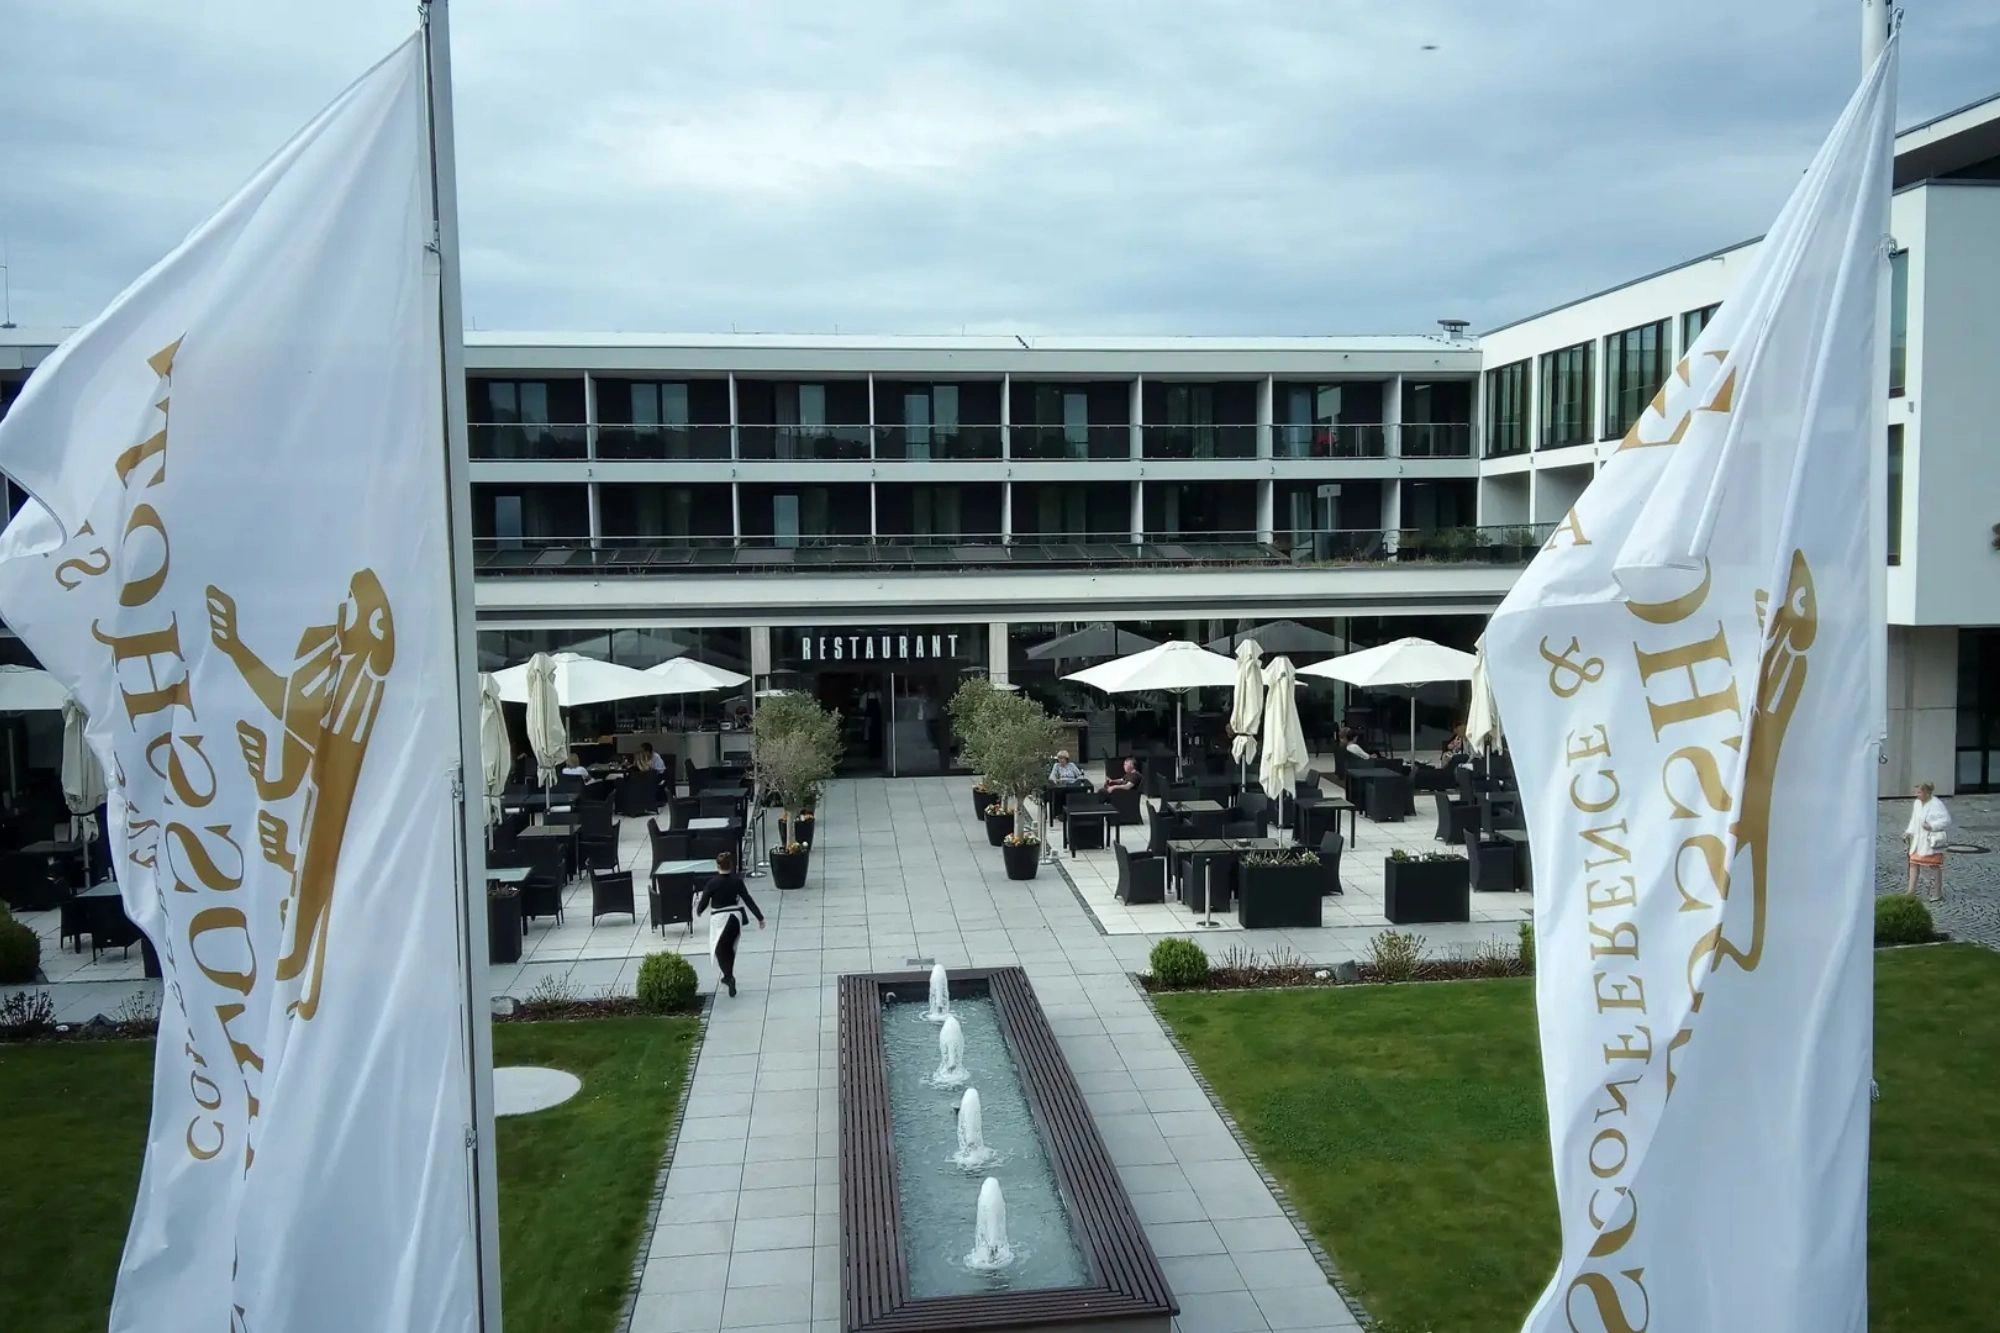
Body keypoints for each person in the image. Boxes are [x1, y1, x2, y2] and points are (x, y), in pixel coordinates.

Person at [696, 851, 765, 997]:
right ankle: (728, 976)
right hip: (735, 918)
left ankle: (729, 976)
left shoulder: (712, 883)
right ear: (731, 866)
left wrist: (699, 911)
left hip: (720, 919)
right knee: (730, 947)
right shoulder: (737, 882)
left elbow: (703, 902)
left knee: (719, 949)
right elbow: (748, 899)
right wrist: (760, 917)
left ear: (717, 866)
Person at [1903, 781, 1951, 903]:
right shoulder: (1917, 803)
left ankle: (1937, 892)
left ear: (1927, 792)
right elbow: (1914, 820)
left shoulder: (1936, 804)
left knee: (1934, 866)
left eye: (1919, 792)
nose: (1916, 795)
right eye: (1916, 792)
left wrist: (1932, 826)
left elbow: (1946, 820)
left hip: (1931, 841)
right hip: (1918, 840)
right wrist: (1908, 832)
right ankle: (1910, 891)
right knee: (1913, 863)